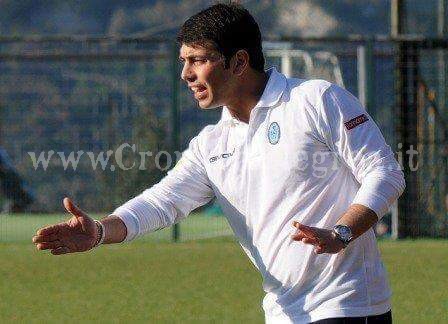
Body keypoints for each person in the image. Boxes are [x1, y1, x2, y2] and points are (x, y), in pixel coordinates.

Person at [32, 3, 405, 323]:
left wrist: (340, 233)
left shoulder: (316, 99)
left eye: (198, 60)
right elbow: (162, 202)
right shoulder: (211, 144)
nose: (186, 75)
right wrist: (99, 231)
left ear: (239, 60)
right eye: (184, 61)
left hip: (349, 307)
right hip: (283, 312)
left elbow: (384, 171)